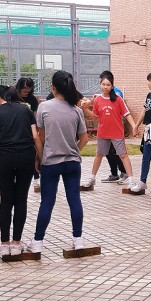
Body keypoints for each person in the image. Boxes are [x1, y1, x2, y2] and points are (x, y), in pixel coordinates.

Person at [28, 71, 89, 252]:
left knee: (47, 202)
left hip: (51, 162)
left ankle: (38, 242)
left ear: (53, 87)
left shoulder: (44, 107)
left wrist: (40, 158)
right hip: (72, 163)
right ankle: (78, 239)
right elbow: (84, 138)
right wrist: (73, 151)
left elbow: (40, 137)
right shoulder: (76, 110)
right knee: (74, 199)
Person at [0, 85, 38, 256]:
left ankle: (4, 244)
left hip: (5, 158)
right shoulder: (25, 110)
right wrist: (40, 159)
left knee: (6, 200)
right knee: (21, 199)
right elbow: (35, 136)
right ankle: (17, 243)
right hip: (26, 157)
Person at [82, 71, 139, 189]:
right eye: (103, 84)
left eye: (108, 84)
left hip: (117, 133)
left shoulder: (118, 99)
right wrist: (85, 109)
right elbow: (95, 116)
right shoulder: (98, 99)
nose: (105, 87)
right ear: (100, 84)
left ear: (112, 86)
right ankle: (92, 178)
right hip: (103, 133)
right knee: (99, 155)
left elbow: (127, 114)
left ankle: (131, 180)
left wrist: (134, 127)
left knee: (123, 155)